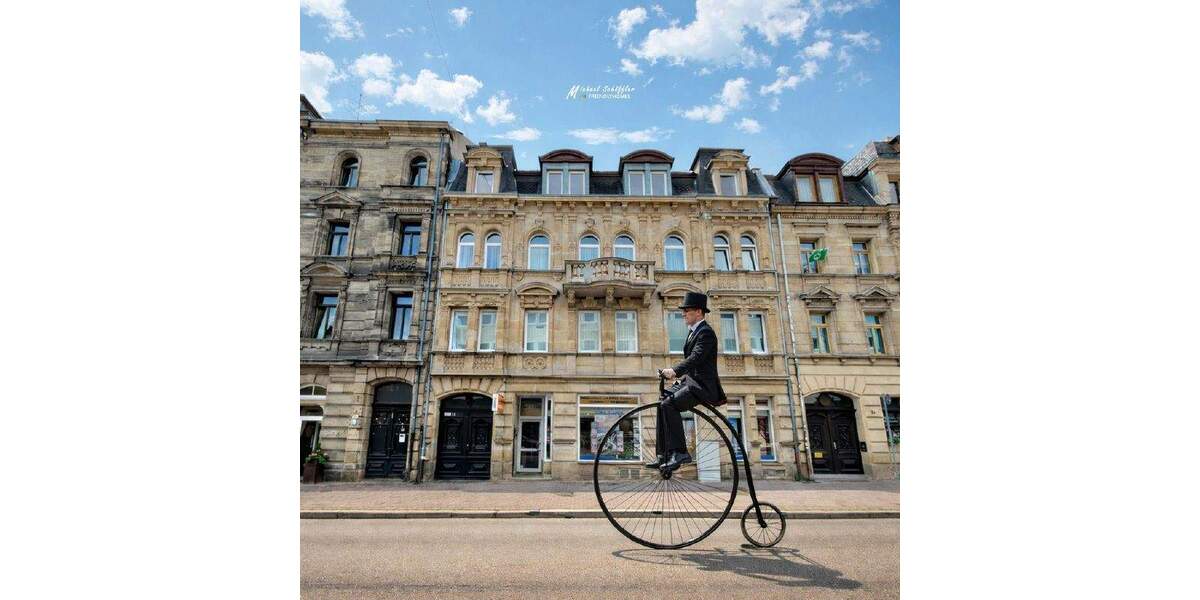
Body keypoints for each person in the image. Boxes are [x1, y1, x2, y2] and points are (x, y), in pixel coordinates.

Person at [646, 291, 727, 471]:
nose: (683, 314)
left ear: (698, 312)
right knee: (662, 403)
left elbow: (696, 358)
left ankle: (680, 452)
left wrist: (674, 371)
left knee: (669, 405)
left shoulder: (706, 333)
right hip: (691, 382)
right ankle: (664, 454)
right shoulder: (694, 332)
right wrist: (679, 380)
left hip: (702, 386)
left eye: (687, 310)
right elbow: (694, 365)